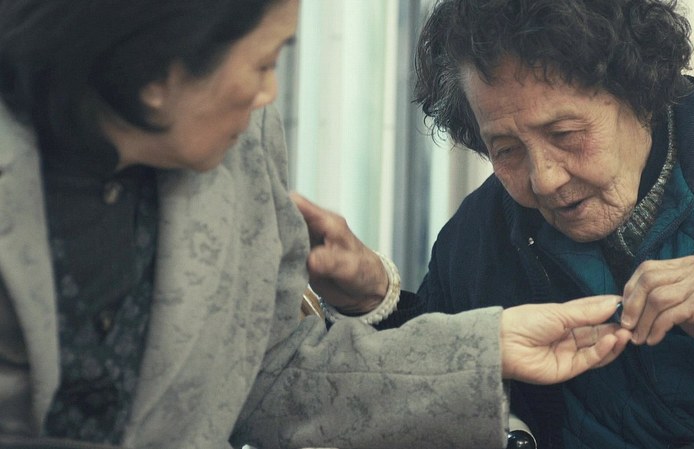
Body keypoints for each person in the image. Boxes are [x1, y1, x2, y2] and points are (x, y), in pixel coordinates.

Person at [0, 0, 633, 448]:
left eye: (566, 133)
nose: (270, 95)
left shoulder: (245, 143)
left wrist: (485, 346)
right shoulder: (474, 236)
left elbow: (275, 369)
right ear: (156, 74)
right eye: (262, 63)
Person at [296, 0, 694, 448]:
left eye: (566, 134)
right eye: (506, 149)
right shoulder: (475, 237)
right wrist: (372, 301)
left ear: (640, 93)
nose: (545, 180)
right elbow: (433, 397)